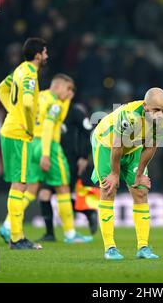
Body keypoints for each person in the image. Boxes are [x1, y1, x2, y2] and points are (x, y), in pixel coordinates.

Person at [0, 74, 92, 244]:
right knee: (63, 187)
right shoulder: (55, 103)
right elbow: (49, 127)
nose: (70, 93)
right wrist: (46, 154)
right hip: (48, 145)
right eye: (68, 89)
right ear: (57, 86)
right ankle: (70, 234)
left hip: (31, 143)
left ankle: (7, 224)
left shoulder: (38, 96)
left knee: (30, 189)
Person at [91, 88, 163, 260]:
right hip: (106, 145)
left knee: (141, 190)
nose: (161, 114)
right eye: (156, 110)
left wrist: (140, 173)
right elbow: (117, 146)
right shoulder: (128, 116)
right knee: (108, 190)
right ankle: (110, 248)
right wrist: (115, 173)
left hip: (133, 148)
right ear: (145, 106)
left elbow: (151, 146)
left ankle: (143, 247)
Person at [0, 37, 47, 250]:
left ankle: (16, 236)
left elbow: (1, 89)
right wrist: (28, 125)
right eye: (44, 52)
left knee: (17, 184)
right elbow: (26, 103)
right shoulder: (30, 74)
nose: (46, 56)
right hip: (18, 133)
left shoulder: (18, 70)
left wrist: (11, 110)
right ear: (37, 55)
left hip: (10, 129)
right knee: (20, 184)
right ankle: (16, 238)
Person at [36, 101, 96, 242]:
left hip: (69, 161)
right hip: (50, 158)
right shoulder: (49, 109)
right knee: (44, 194)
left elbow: (87, 132)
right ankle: (50, 234)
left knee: (62, 194)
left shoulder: (74, 111)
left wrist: (83, 156)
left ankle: (87, 212)